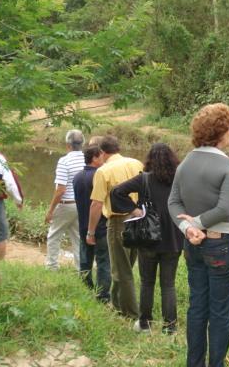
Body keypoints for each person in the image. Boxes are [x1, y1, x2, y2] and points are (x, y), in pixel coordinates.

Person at [168, 103, 229, 367]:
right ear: (220, 132)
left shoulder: (186, 162)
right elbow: (225, 208)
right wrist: (197, 224)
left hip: (194, 244)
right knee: (220, 311)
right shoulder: (228, 166)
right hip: (222, 245)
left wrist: (189, 228)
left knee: (197, 306)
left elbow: (173, 202)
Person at [111, 143, 183, 335]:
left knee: (147, 282)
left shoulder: (144, 180)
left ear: (150, 159)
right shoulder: (179, 178)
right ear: (172, 159)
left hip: (148, 238)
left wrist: (134, 209)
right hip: (174, 239)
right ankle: (170, 327)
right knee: (168, 285)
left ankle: (145, 324)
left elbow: (116, 192)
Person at [87, 135, 144, 319]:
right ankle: (117, 304)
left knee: (122, 270)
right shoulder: (136, 163)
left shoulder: (103, 171)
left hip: (119, 222)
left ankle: (132, 314)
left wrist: (91, 231)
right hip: (139, 219)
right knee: (127, 265)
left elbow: (96, 204)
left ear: (102, 152)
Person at [73, 144, 111, 302]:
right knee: (103, 261)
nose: (104, 158)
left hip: (82, 224)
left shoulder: (77, 176)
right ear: (95, 158)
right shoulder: (99, 176)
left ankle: (85, 288)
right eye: (101, 156)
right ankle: (102, 295)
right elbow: (98, 203)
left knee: (85, 259)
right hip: (99, 226)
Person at [44, 130, 85, 271]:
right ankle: (81, 270)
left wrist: (50, 211)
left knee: (54, 235)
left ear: (68, 145)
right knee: (78, 238)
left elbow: (60, 190)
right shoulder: (87, 159)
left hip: (66, 204)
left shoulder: (64, 161)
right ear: (82, 144)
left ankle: (52, 267)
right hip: (82, 205)